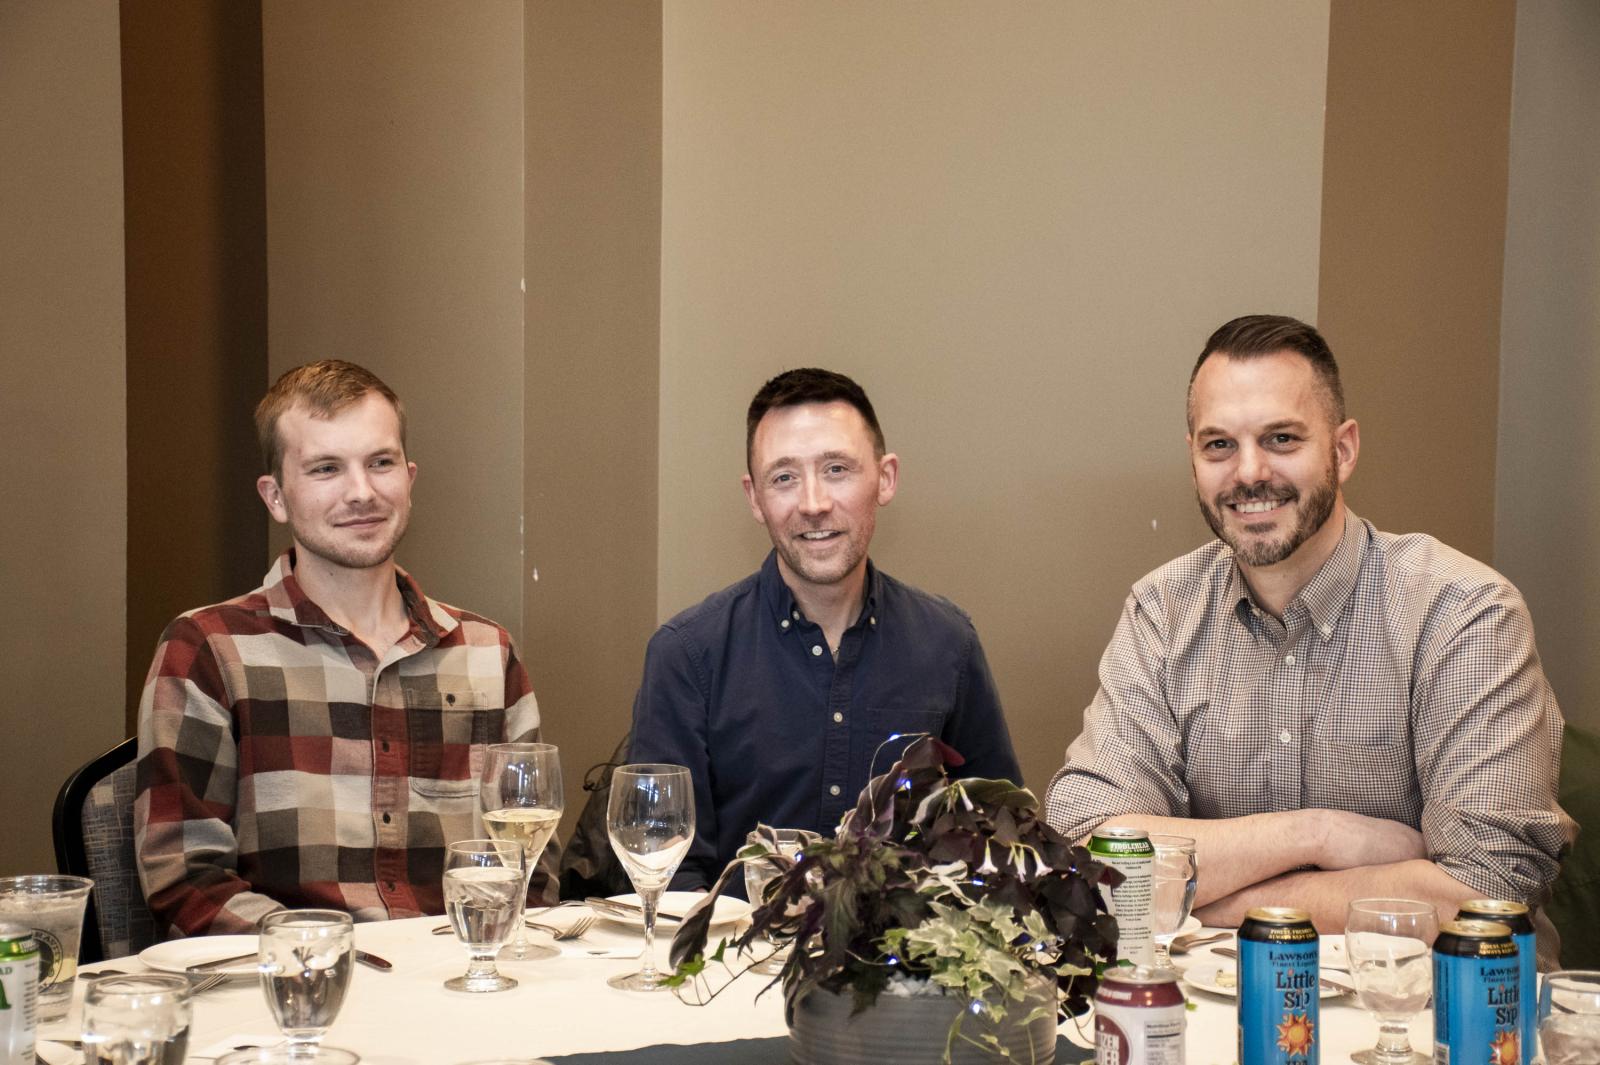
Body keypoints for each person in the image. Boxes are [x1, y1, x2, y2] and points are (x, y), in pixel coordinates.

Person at [1045, 315, 1574, 956]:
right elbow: (1090, 856)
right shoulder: (1162, 611)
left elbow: (1484, 894)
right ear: (1192, 458)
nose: (1248, 472)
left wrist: (1206, 898)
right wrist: (1316, 834)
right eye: (1219, 446)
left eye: (1282, 438)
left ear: (1343, 450)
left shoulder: (1463, 611)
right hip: (1221, 1019)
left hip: (1441, 1017)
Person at [134, 360, 556, 937]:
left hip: (463, 984)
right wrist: (327, 960)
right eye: (326, 469)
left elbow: (533, 870)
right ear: (276, 497)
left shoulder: (487, 651)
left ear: (409, 477)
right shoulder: (210, 650)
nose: (362, 492)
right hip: (293, 994)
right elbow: (185, 879)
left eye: (380, 463)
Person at [628, 368, 1022, 890]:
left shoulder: (948, 644)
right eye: (784, 477)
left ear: (886, 478)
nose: (813, 503)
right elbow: (666, 876)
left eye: (836, 469)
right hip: (735, 964)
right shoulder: (687, 655)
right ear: (754, 497)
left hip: (903, 966)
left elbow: (1002, 841)